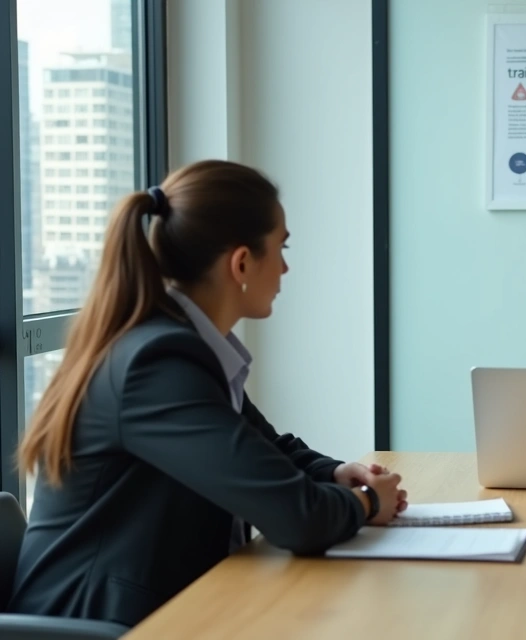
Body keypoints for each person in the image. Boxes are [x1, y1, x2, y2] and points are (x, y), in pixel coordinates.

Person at [7, 160, 408, 627]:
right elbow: (297, 518)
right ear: (241, 262)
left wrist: (337, 472)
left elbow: (263, 448)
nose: (285, 267)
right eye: (281, 248)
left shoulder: (176, 345)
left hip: (155, 610)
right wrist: (367, 502)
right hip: (101, 625)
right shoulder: (157, 364)